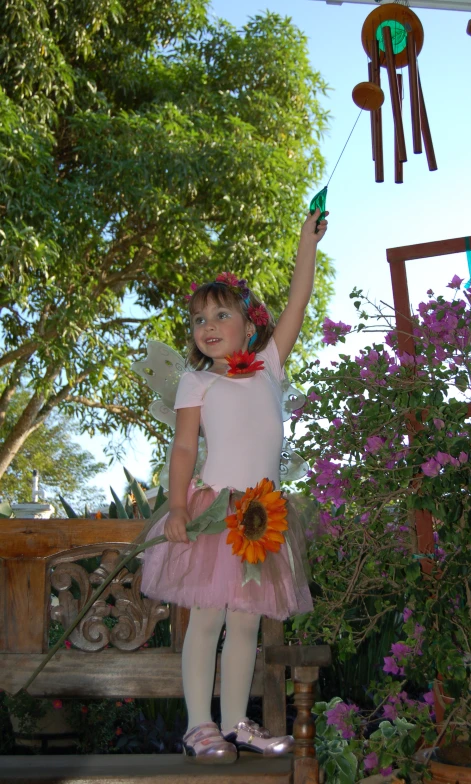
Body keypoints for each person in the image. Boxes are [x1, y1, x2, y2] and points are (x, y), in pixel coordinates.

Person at [141, 208, 329, 764]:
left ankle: (235, 723)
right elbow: (182, 449)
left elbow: (298, 300)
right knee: (209, 618)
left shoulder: (271, 366)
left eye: (221, 314)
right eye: (199, 320)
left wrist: (306, 244)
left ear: (250, 327)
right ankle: (199, 726)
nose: (208, 326)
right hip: (215, 512)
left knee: (247, 620)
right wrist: (176, 506)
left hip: (263, 515)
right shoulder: (195, 382)